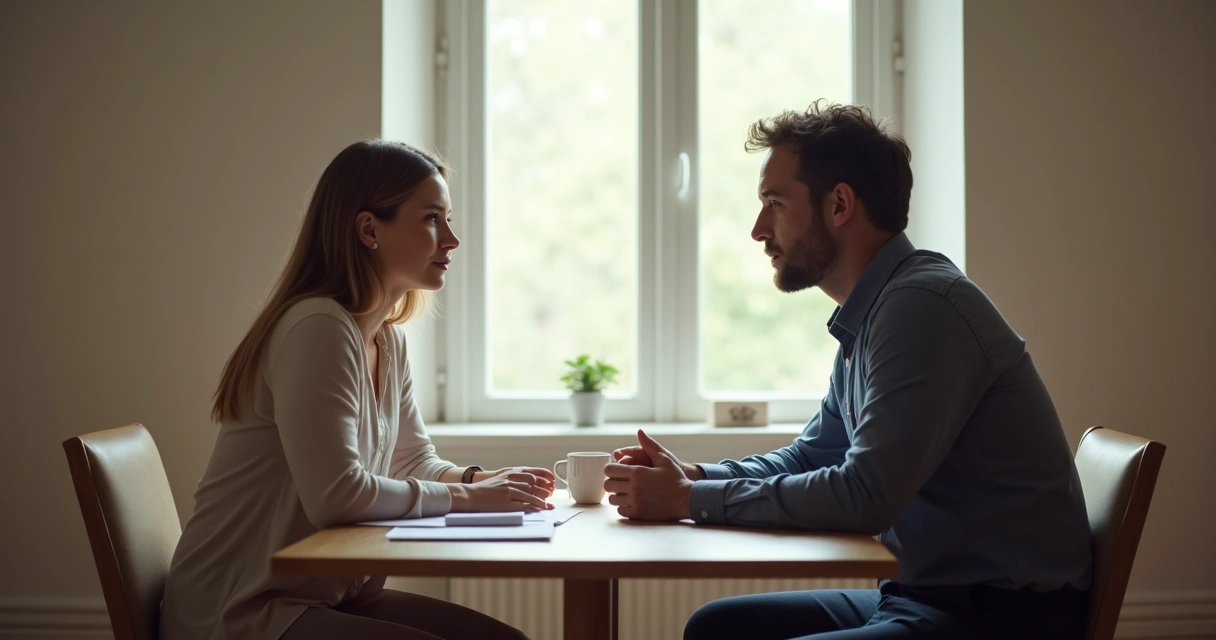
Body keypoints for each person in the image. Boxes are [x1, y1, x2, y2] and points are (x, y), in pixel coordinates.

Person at [604, 102, 1092, 639]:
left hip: (1001, 617)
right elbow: (814, 454)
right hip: (921, 598)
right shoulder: (875, 312)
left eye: (775, 203)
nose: (758, 229)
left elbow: (865, 495)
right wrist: (696, 477)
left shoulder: (922, 306)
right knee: (717, 628)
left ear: (839, 204)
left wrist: (686, 501)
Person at [160, 140, 552, 640]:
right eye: (433, 218)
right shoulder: (317, 329)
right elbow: (337, 497)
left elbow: (411, 463)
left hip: (318, 598)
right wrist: (472, 500)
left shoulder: (386, 340)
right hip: (242, 612)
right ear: (369, 229)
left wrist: (484, 481)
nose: (451, 239)